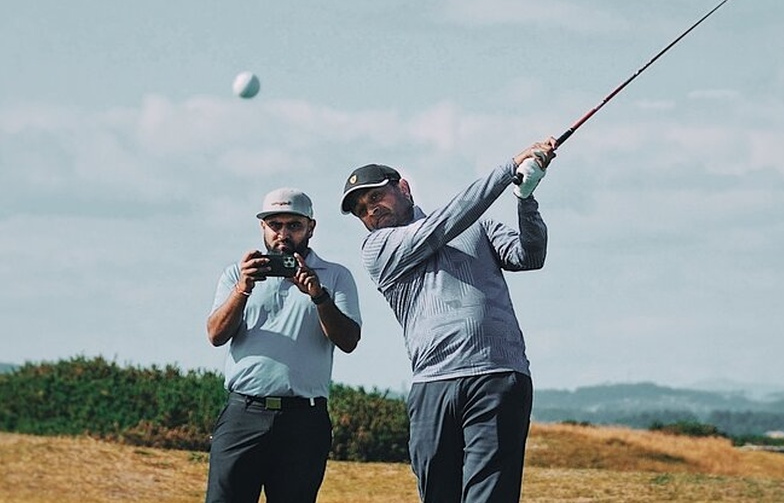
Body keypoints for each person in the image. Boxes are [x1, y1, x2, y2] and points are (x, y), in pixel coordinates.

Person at [339, 138, 556, 502]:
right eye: (361, 209)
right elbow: (439, 228)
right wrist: (507, 169)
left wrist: (526, 197)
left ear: (402, 188)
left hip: (498, 375)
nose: (370, 211)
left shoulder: (476, 226)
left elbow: (529, 255)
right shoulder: (377, 248)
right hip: (433, 384)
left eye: (375, 197)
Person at [205, 187, 362, 503]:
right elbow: (216, 335)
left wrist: (319, 296)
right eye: (274, 225)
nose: (283, 234)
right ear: (262, 227)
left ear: (310, 228)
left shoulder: (335, 276)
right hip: (243, 413)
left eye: (293, 225)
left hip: (304, 420)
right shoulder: (237, 274)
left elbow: (348, 340)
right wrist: (242, 289)